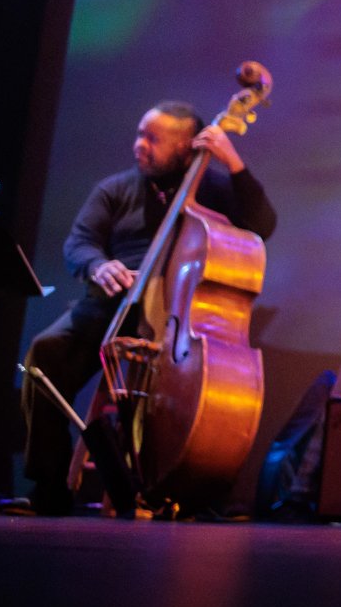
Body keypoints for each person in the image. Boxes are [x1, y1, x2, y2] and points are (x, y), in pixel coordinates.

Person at [21, 101, 278, 513]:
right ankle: (49, 487)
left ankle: (181, 487)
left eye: (153, 139)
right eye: (140, 134)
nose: (140, 145)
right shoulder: (115, 189)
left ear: (185, 148)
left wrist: (233, 162)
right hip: (116, 305)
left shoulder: (213, 189)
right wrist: (99, 265)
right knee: (45, 353)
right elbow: (80, 243)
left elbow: (262, 226)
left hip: (179, 313)